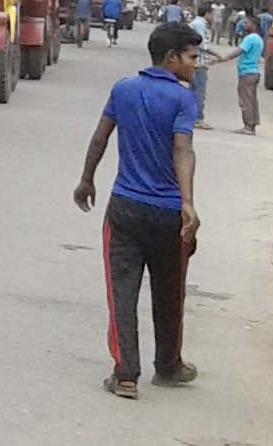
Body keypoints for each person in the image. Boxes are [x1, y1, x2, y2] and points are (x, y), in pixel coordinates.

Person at [73, 22, 203, 399]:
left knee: (122, 292)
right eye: (192, 57)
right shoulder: (182, 99)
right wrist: (188, 203)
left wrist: (86, 179)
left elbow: (101, 136)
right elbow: (183, 149)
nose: (195, 65)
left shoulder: (123, 89)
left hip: (125, 208)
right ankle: (169, 365)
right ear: (171, 58)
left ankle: (126, 373)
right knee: (170, 292)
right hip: (168, 213)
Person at [207, 23, 266, 134]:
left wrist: (223, 58)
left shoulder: (250, 38)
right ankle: (252, 124)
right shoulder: (259, 39)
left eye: (247, 22)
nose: (244, 24)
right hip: (254, 72)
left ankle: (248, 126)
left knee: (245, 100)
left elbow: (239, 51)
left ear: (254, 25)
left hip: (246, 72)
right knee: (252, 100)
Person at [188, 10, 214, 130]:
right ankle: (198, 118)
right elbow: (203, 44)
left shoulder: (196, 23)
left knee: (192, 91)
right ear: (207, 13)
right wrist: (218, 55)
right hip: (199, 62)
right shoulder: (199, 24)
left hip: (195, 61)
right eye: (212, 14)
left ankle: (190, 117)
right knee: (199, 92)